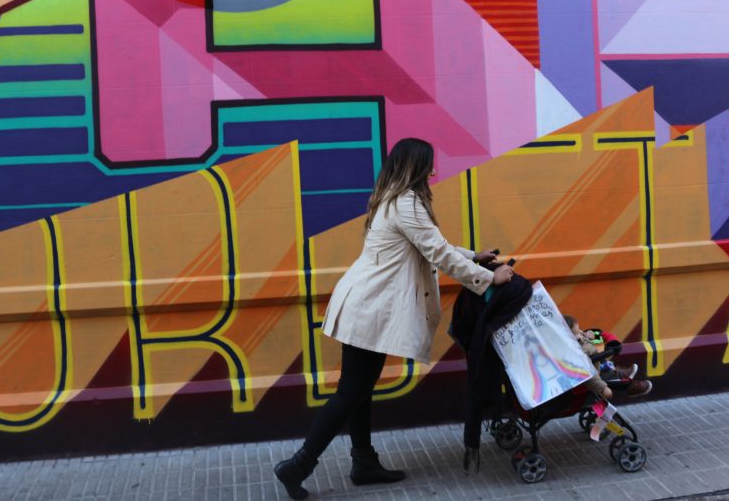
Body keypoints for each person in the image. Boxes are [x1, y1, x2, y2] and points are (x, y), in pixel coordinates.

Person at [273, 138, 514, 500]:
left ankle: (364, 462)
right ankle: (298, 465)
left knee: (357, 391)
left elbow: (433, 245)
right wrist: (487, 278)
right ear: (415, 167)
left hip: (365, 306)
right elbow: (436, 250)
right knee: (350, 393)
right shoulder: (407, 203)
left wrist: (473, 255)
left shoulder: (391, 200)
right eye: (429, 165)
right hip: (370, 309)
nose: (434, 172)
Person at [563, 315, 652, 398]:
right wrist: (602, 388)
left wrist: (611, 340)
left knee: (605, 364)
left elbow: (596, 336)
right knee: (608, 380)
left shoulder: (580, 338)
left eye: (579, 329)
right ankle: (626, 382)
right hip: (590, 375)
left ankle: (622, 376)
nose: (581, 332)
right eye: (577, 332)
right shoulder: (575, 353)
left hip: (597, 364)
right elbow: (586, 373)